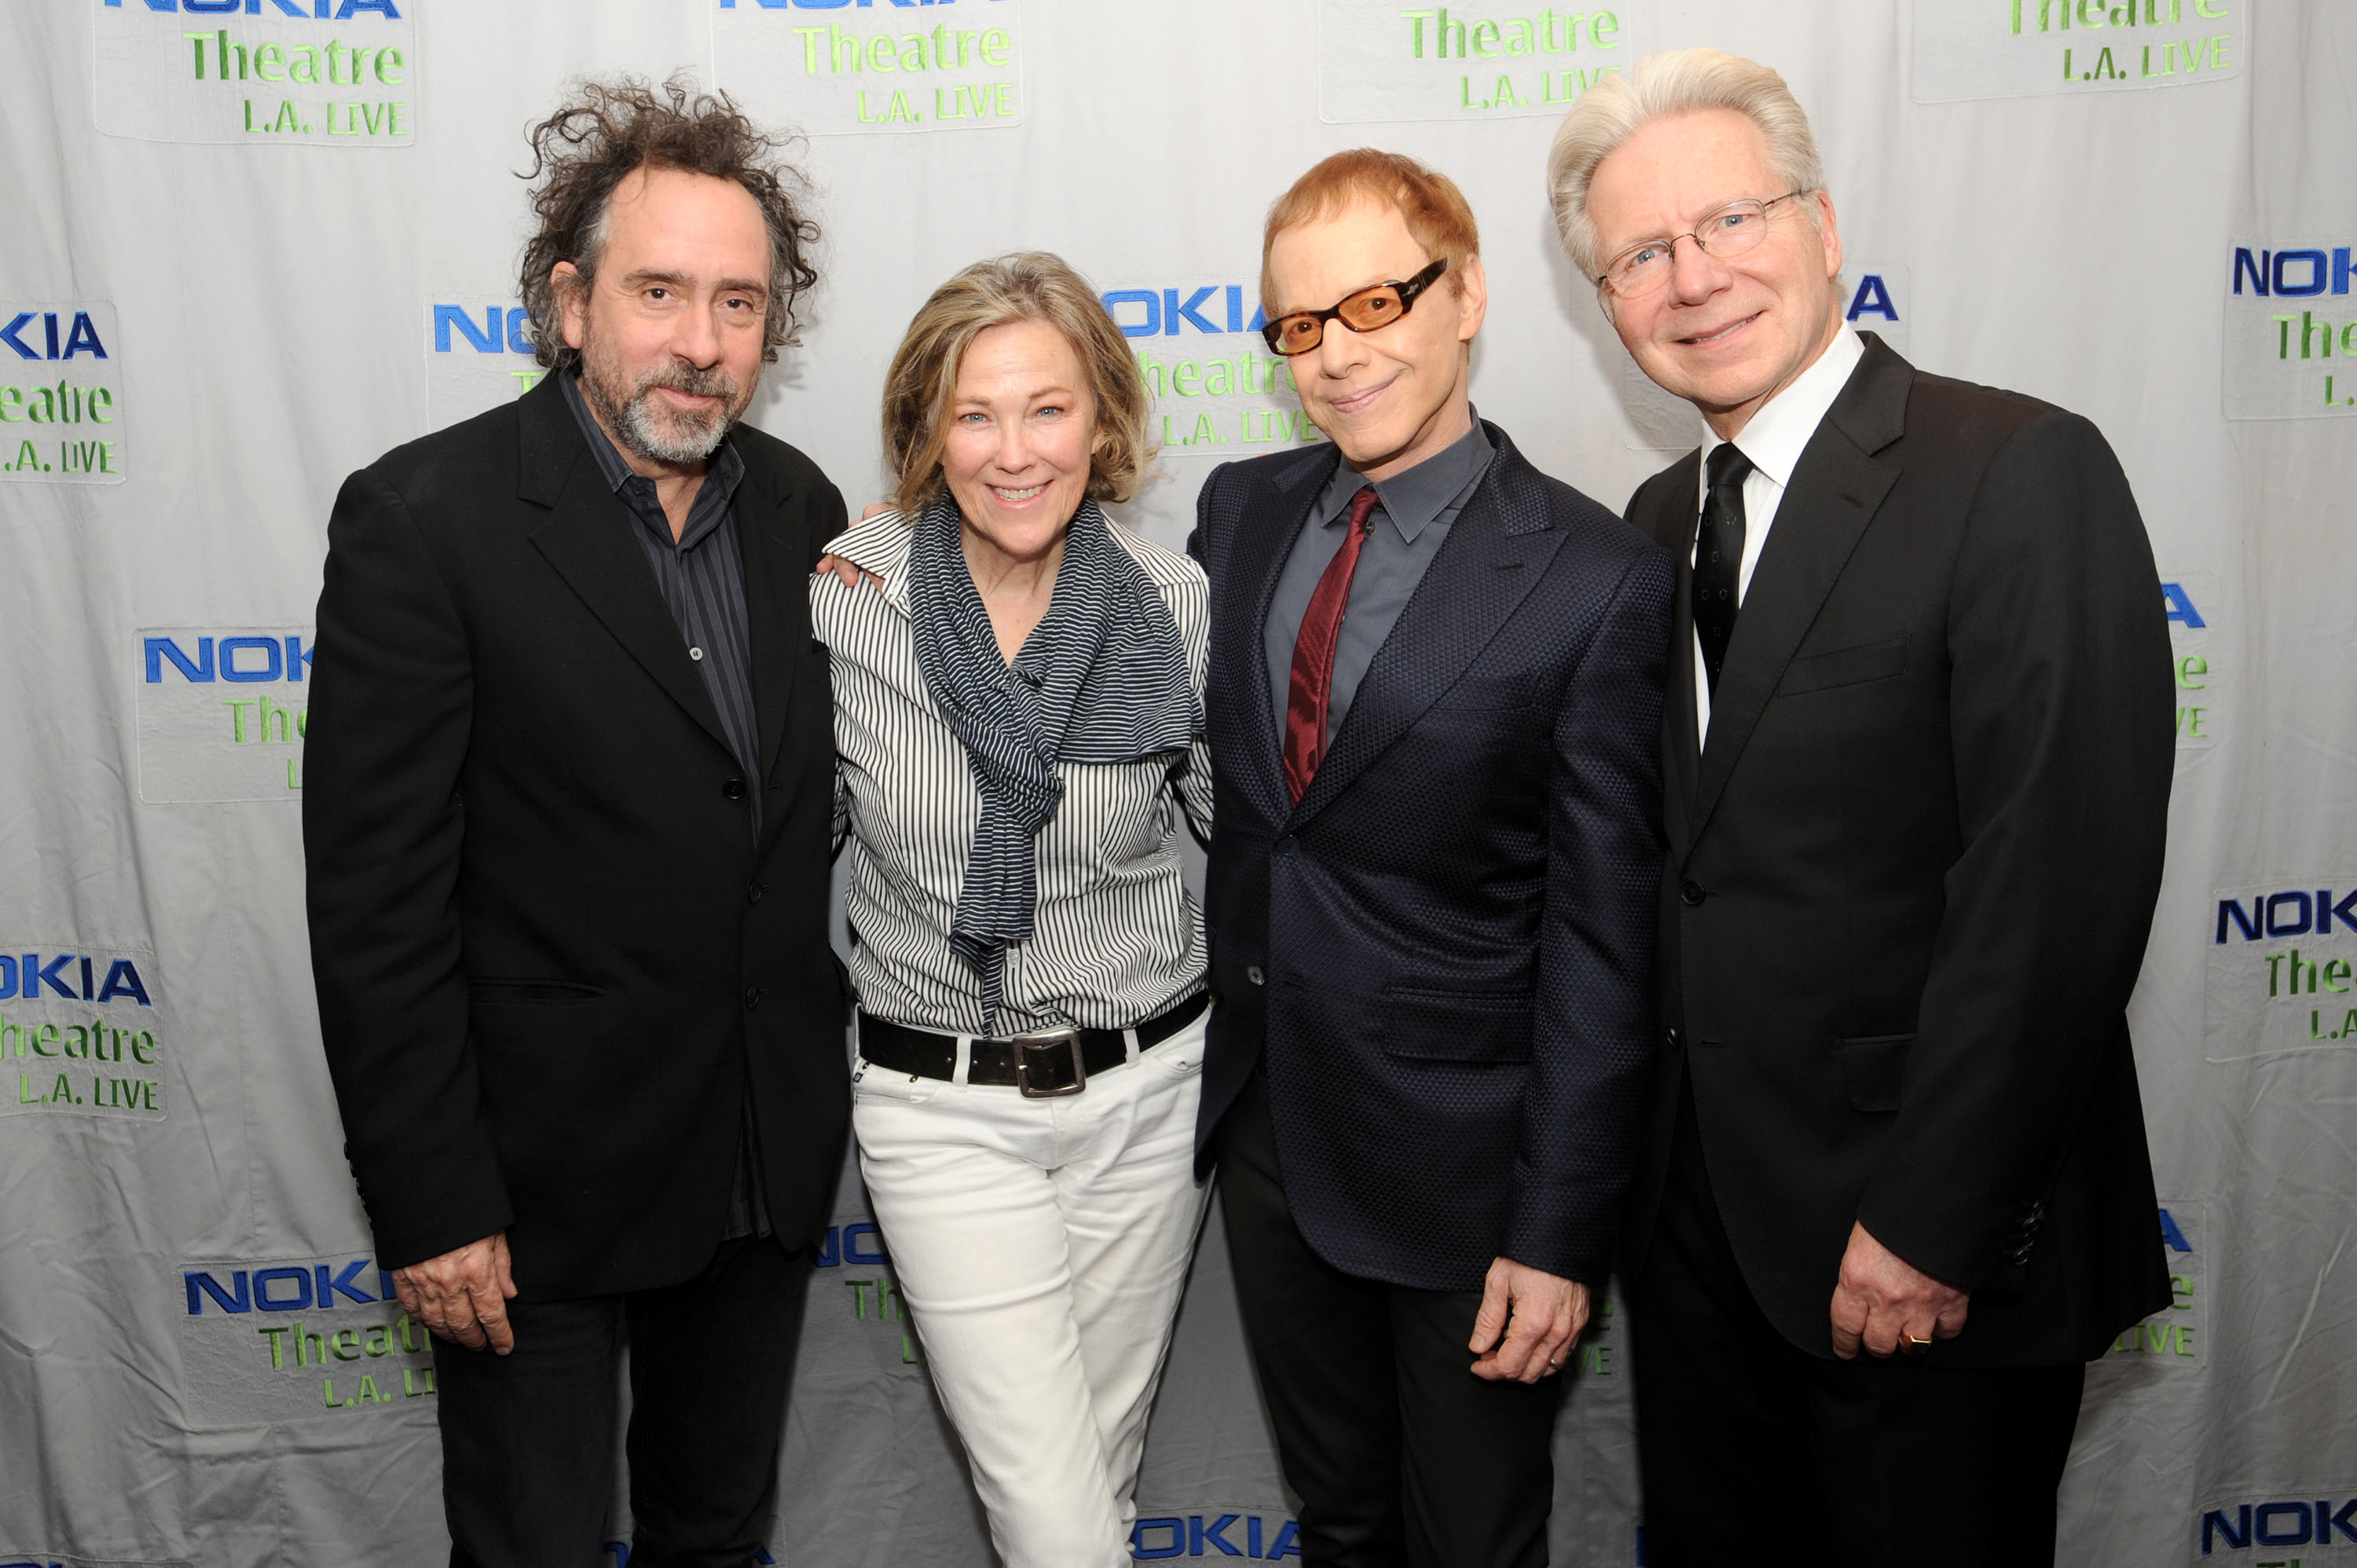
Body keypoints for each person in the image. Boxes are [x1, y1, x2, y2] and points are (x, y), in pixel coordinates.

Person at [1546, 48, 2175, 1566]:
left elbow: (2057, 889)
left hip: (1920, 1249)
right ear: (1609, 305)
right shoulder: (1658, 521)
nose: (1694, 278)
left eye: (1731, 220)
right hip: (1700, 1250)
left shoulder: (2016, 468)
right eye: (1642, 254)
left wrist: (1933, 1222)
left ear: (1823, 226)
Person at [303, 80, 848, 1566]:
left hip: (752, 1164)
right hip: (524, 1196)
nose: (701, 341)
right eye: (658, 292)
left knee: (716, 1539)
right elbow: (376, 907)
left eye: (739, 302)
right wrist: (431, 1203)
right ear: (569, 303)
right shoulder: (425, 520)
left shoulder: (802, 511)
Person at [1189, 151, 1671, 1566]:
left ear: (1466, 295)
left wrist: (1558, 1229)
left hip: (1470, 1177)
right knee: (1339, 1525)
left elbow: (1604, 941)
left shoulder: (1593, 577)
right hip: (1273, 1135)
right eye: (1300, 325)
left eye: (1376, 303)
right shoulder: (1240, 511)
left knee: (1474, 1542)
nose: (1338, 356)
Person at [810, 252, 1215, 1568]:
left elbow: (1258, 836)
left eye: (1048, 408)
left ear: (1103, 420)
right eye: (974, 415)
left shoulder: (1172, 603)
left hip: (1151, 1097)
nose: (1015, 451)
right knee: (1055, 1519)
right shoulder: (848, 596)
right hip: (940, 1108)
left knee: (1098, 1478)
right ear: (928, 431)